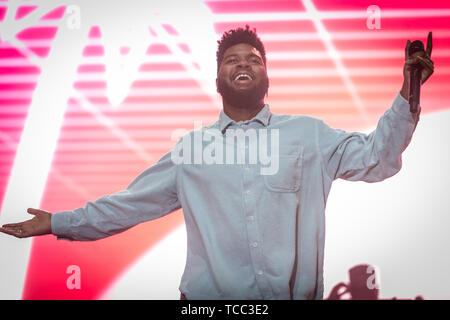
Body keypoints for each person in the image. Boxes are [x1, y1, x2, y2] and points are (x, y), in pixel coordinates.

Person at [0, 26, 434, 300]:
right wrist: (59, 222)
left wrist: (409, 91)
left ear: (266, 77)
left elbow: (377, 158)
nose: (243, 64)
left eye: (253, 60)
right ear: (218, 80)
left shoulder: (309, 135)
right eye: (232, 60)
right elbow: (129, 205)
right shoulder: (191, 150)